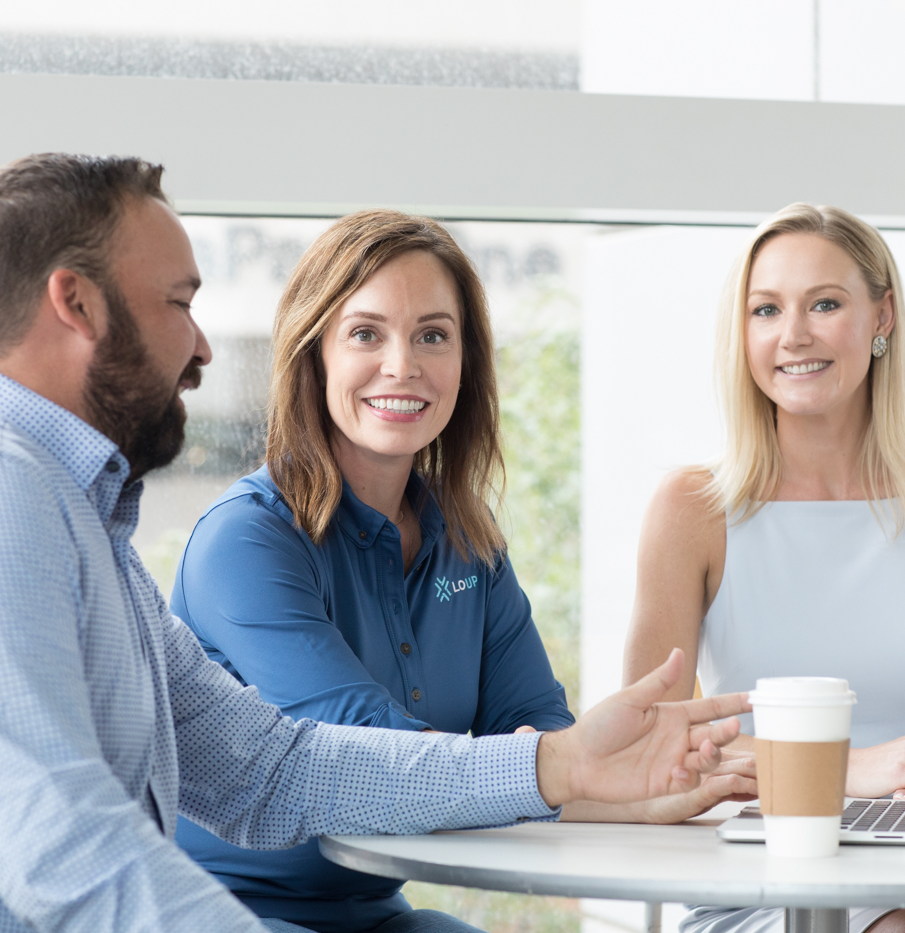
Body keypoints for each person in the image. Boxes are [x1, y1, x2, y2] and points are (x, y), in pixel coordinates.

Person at [0, 153, 750, 933]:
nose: (201, 346)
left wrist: (557, 766)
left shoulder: (65, 512)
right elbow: (70, 859)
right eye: (178, 302)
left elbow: (271, 771)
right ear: (77, 305)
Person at [171, 211, 754, 933]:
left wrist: (641, 791)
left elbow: (540, 735)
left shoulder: (467, 541)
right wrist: (570, 768)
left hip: (373, 913)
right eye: (365, 333)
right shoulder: (245, 541)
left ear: (466, 360)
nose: (402, 365)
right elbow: (372, 755)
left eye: (433, 335)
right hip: (224, 913)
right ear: (312, 353)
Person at [623, 203, 905, 933]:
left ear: (882, 316)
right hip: (758, 873)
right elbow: (646, 744)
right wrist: (857, 768)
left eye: (825, 304)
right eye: (766, 309)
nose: (793, 335)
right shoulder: (693, 510)